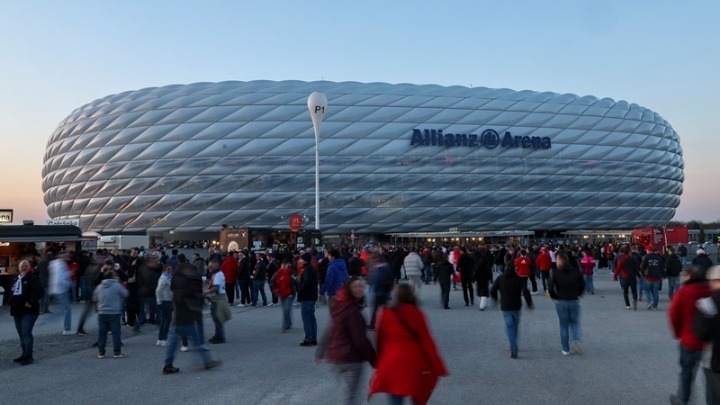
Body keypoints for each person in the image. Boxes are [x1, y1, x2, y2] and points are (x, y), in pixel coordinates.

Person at [369, 283, 448, 405]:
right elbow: (427, 341)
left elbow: (380, 339)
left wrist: (379, 360)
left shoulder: (386, 313)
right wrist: (438, 365)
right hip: (413, 360)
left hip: (392, 360)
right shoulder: (416, 313)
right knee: (416, 394)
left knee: (395, 395)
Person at [315, 277, 377, 405]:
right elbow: (360, 340)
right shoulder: (352, 311)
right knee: (351, 397)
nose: (360, 289)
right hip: (350, 359)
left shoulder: (339, 306)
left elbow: (330, 329)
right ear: (349, 289)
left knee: (348, 394)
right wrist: (375, 361)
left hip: (336, 357)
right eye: (356, 286)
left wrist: (320, 352)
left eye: (361, 286)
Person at [163, 256, 221, 374]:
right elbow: (191, 295)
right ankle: (207, 361)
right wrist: (200, 298)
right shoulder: (187, 282)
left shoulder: (177, 279)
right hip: (186, 314)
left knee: (175, 341)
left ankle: (168, 364)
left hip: (180, 313)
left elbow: (176, 293)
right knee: (195, 340)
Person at [668, 265, 711, 405]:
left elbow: (673, 315)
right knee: (710, 376)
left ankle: (682, 400)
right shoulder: (710, 290)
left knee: (686, 372)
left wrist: (678, 333)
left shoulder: (683, 292)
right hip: (709, 341)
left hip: (689, 340)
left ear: (690, 276)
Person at [490, 255, 534, 358]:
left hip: (505, 306)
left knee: (509, 326)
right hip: (516, 305)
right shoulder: (518, 279)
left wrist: (496, 299)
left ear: (505, 268)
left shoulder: (500, 278)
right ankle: (514, 343)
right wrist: (529, 303)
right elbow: (526, 291)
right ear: (514, 268)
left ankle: (513, 346)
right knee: (515, 327)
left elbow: (492, 290)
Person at [549, 252, 585, 356]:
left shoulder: (555, 272)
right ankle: (576, 339)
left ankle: (565, 349)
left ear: (561, 260)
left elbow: (550, 287)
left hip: (561, 300)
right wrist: (578, 294)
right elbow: (583, 284)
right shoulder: (576, 271)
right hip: (574, 300)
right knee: (574, 323)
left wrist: (555, 297)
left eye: (557, 260)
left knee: (563, 324)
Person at [10, 260, 43, 365]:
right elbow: (12, 292)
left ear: (29, 267)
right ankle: (24, 354)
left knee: (26, 332)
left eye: (26, 266)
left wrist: (30, 301)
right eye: (22, 266)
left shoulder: (33, 278)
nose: (23, 268)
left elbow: (39, 292)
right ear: (19, 268)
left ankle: (29, 356)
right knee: (21, 334)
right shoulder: (16, 279)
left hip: (29, 310)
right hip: (17, 310)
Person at [93, 269, 129, 359]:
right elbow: (125, 293)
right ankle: (117, 352)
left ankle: (101, 352)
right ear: (113, 277)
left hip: (102, 313)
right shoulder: (116, 286)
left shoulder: (99, 287)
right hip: (114, 312)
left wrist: (97, 309)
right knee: (116, 333)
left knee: (102, 333)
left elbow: (94, 299)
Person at [48, 252, 74, 335]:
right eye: (66, 256)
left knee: (64, 309)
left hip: (56, 289)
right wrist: (68, 283)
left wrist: (68, 273)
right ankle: (67, 329)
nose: (67, 258)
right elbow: (60, 278)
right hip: (62, 289)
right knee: (67, 310)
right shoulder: (61, 265)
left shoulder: (54, 264)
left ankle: (66, 327)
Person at [204, 260, 229, 344]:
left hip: (218, 299)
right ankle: (218, 335)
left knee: (217, 318)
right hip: (217, 298)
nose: (209, 268)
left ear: (215, 266)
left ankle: (219, 337)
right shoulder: (216, 274)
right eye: (208, 266)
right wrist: (208, 282)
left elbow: (216, 287)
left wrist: (206, 292)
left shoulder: (218, 275)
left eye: (210, 266)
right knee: (217, 318)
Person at [297, 252, 319, 346]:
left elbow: (306, 283)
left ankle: (308, 338)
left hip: (306, 296)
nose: (300, 261)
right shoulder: (311, 269)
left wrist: (300, 286)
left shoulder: (307, 270)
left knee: (306, 318)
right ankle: (313, 338)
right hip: (312, 295)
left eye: (301, 259)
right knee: (311, 317)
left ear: (305, 260)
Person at [272, 256, 296, 332]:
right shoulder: (278, 273)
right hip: (281, 293)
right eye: (283, 265)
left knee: (286, 309)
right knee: (285, 310)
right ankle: (288, 322)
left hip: (290, 294)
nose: (284, 266)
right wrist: (274, 289)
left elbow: (296, 281)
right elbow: (271, 281)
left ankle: (285, 325)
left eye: (285, 265)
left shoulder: (291, 272)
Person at [613, 245, 640, 310]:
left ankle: (627, 305)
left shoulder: (621, 260)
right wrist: (638, 275)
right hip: (632, 277)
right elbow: (637, 267)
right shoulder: (632, 259)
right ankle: (635, 299)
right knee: (634, 290)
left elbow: (618, 268)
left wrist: (615, 276)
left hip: (625, 277)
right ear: (629, 252)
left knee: (625, 292)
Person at [641, 246, 665, 310]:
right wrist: (662, 275)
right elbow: (662, 267)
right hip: (657, 277)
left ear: (648, 251)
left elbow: (642, 267)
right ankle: (655, 306)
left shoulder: (646, 257)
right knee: (655, 292)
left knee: (647, 290)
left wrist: (643, 274)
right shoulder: (658, 257)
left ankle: (649, 302)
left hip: (648, 277)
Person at [156, 264, 174, 346]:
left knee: (164, 321)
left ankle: (160, 339)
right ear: (164, 270)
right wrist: (159, 300)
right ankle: (164, 339)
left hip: (165, 300)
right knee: (167, 321)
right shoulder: (164, 278)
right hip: (165, 301)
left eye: (171, 269)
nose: (170, 271)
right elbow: (158, 290)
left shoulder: (168, 277)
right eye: (168, 269)